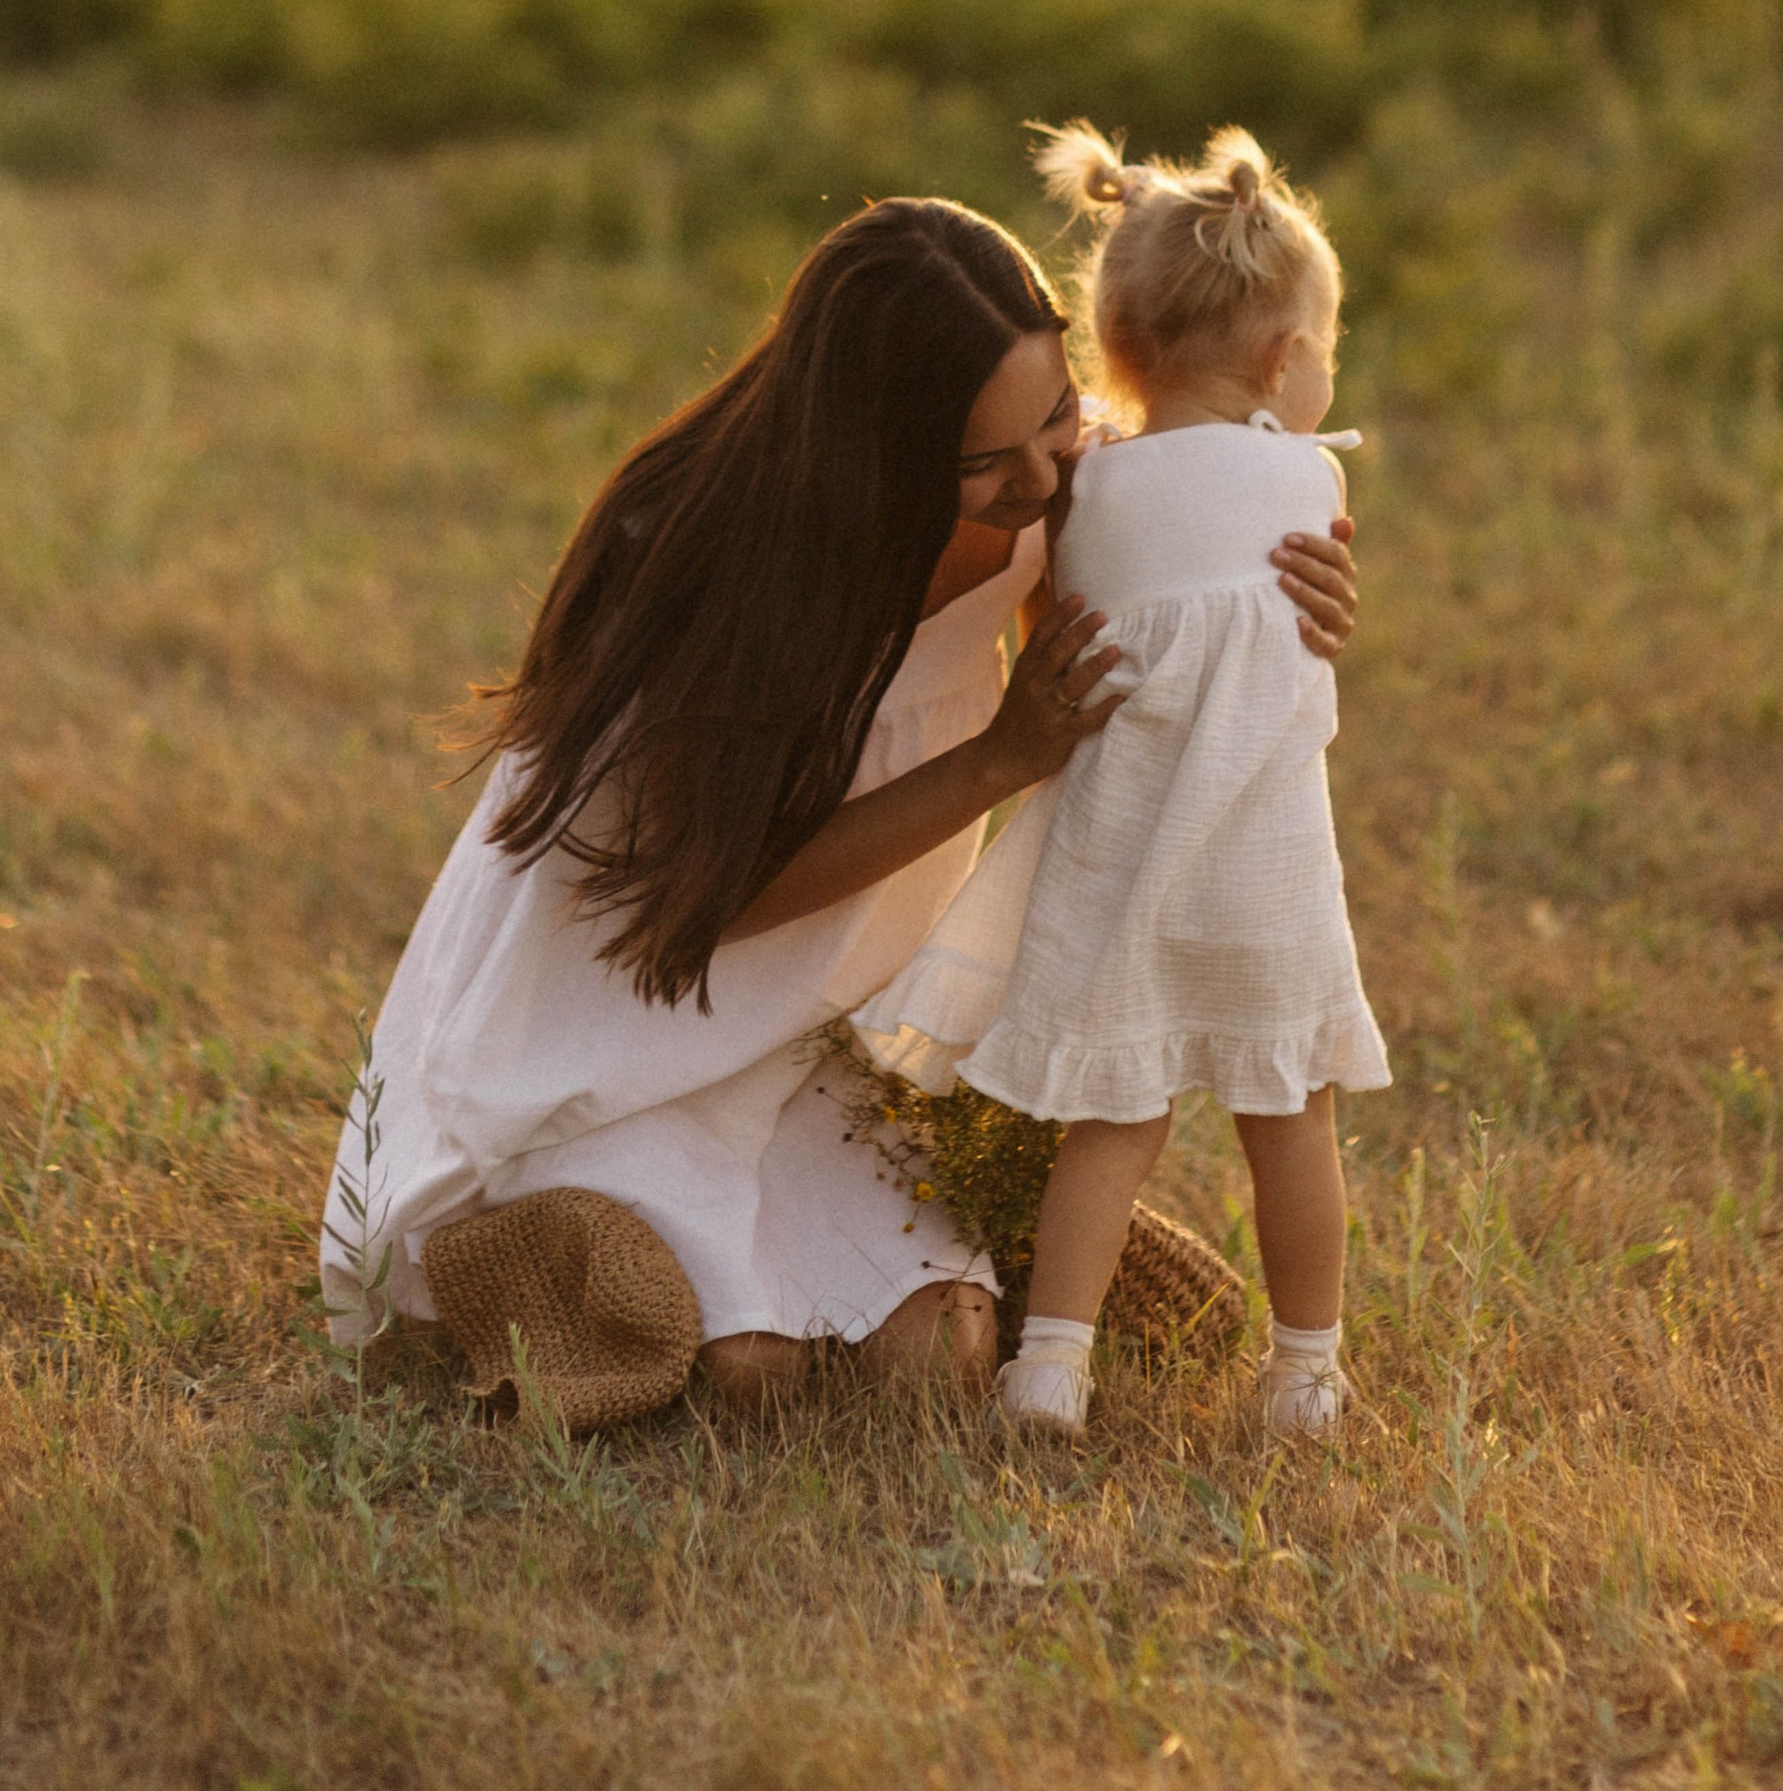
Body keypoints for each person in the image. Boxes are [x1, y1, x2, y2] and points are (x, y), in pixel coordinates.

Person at [319, 188, 1359, 1407]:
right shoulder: (726, 567)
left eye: (1055, 419)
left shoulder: (1058, 482)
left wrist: (1282, 613)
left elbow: (1146, 643)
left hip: (833, 1019)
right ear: (878, 448)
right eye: (985, 462)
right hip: (634, 1013)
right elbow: (715, 903)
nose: (1040, 477)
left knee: (941, 1357)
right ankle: (558, 1251)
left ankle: (850, 1267)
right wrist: (990, 760)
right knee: (750, 1368)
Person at [855, 128, 1388, 1444]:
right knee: (1292, 1122)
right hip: (1263, 870)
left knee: (1111, 1123)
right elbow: (1297, 679)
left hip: (1121, 865)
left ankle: (1051, 1366)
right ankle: (1306, 1372)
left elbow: (1064, 643)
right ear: (1279, 361)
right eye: (1323, 353)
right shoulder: (1309, 477)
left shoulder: (1082, 488)